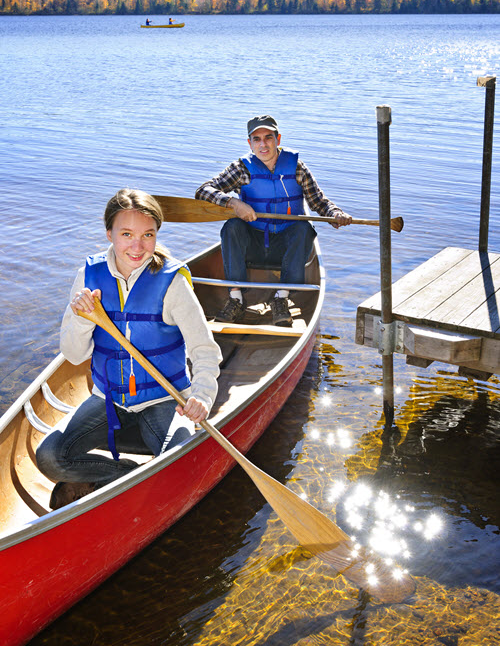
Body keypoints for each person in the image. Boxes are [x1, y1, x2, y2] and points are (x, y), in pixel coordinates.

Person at [36, 189, 222, 510]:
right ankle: (126, 474)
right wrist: (82, 319)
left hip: (165, 402)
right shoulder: (89, 276)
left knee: (179, 462)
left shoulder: (171, 282)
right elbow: (74, 354)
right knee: (50, 456)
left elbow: (204, 349)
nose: (137, 246)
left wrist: (202, 396)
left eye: (147, 235)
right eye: (126, 234)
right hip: (109, 403)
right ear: (108, 233)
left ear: (155, 235)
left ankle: (144, 473)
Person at [195, 115, 352, 327]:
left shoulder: (297, 168)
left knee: (303, 228)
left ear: (278, 139)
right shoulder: (241, 168)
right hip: (254, 243)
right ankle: (236, 299)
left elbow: (319, 202)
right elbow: (203, 190)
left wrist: (335, 214)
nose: (263, 144)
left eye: (268, 138)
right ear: (249, 143)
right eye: (256, 139)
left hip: (287, 245)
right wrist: (234, 202)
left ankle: (281, 298)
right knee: (232, 226)